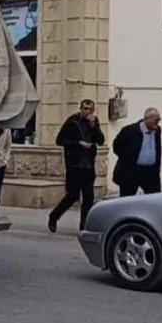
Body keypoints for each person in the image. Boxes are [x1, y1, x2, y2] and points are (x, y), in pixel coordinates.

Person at [48, 99, 104, 233]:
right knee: (72, 195)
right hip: (74, 164)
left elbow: (101, 141)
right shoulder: (72, 121)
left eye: (90, 109)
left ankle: (83, 226)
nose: (88, 112)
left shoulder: (94, 122)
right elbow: (60, 140)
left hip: (88, 165)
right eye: (85, 109)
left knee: (88, 197)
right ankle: (54, 216)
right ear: (80, 109)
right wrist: (78, 143)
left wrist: (94, 127)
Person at [111, 107, 162, 197]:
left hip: (150, 172)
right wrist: (127, 159)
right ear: (147, 119)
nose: (157, 123)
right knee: (127, 198)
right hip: (131, 171)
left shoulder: (157, 130)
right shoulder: (129, 131)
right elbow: (117, 147)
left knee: (154, 197)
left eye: (159, 120)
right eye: (156, 120)